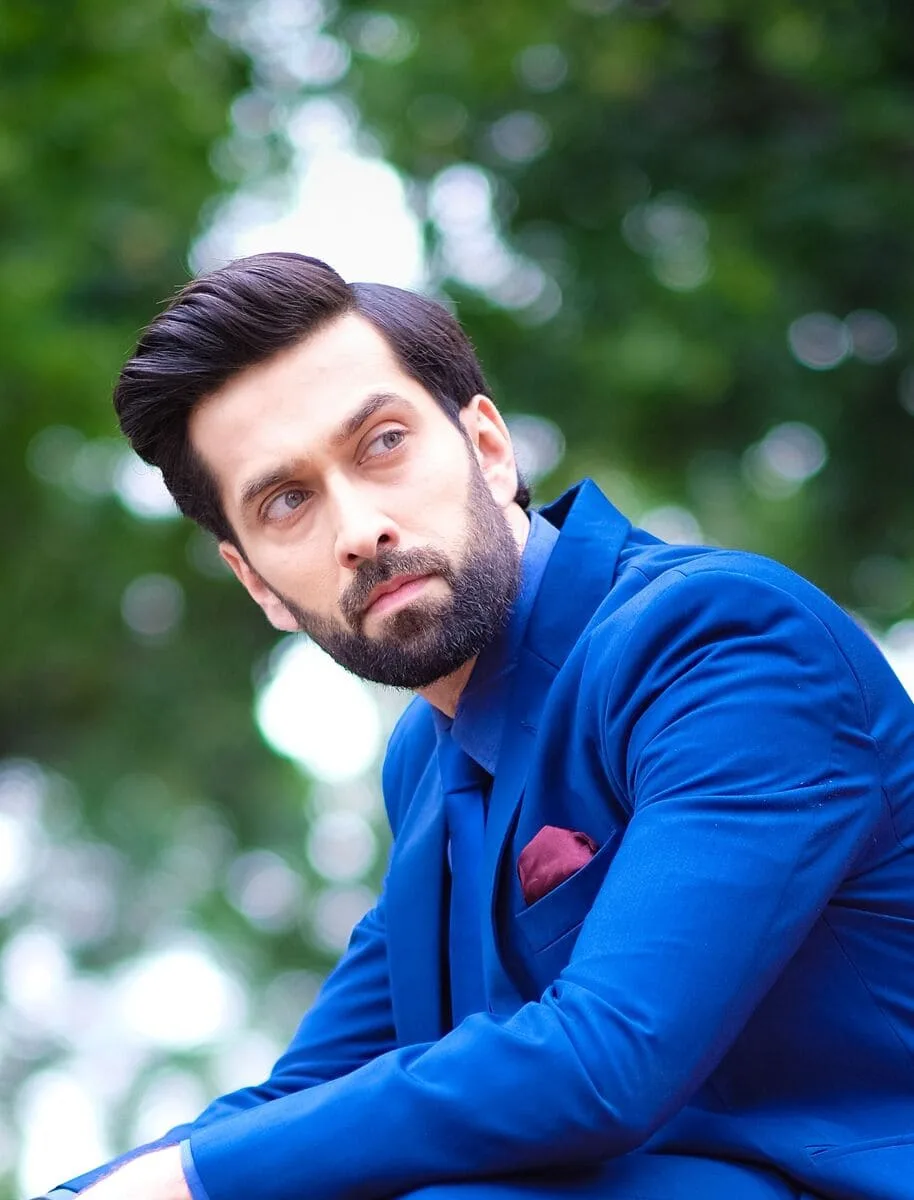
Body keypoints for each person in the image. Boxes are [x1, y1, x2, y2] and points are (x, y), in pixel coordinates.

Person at [35, 252, 914, 1200]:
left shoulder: (720, 642)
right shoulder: (424, 763)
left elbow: (606, 1057)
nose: (360, 529)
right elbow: (306, 1094)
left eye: (382, 443)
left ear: (489, 449)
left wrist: (195, 1179)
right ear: (259, 585)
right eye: (287, 501)